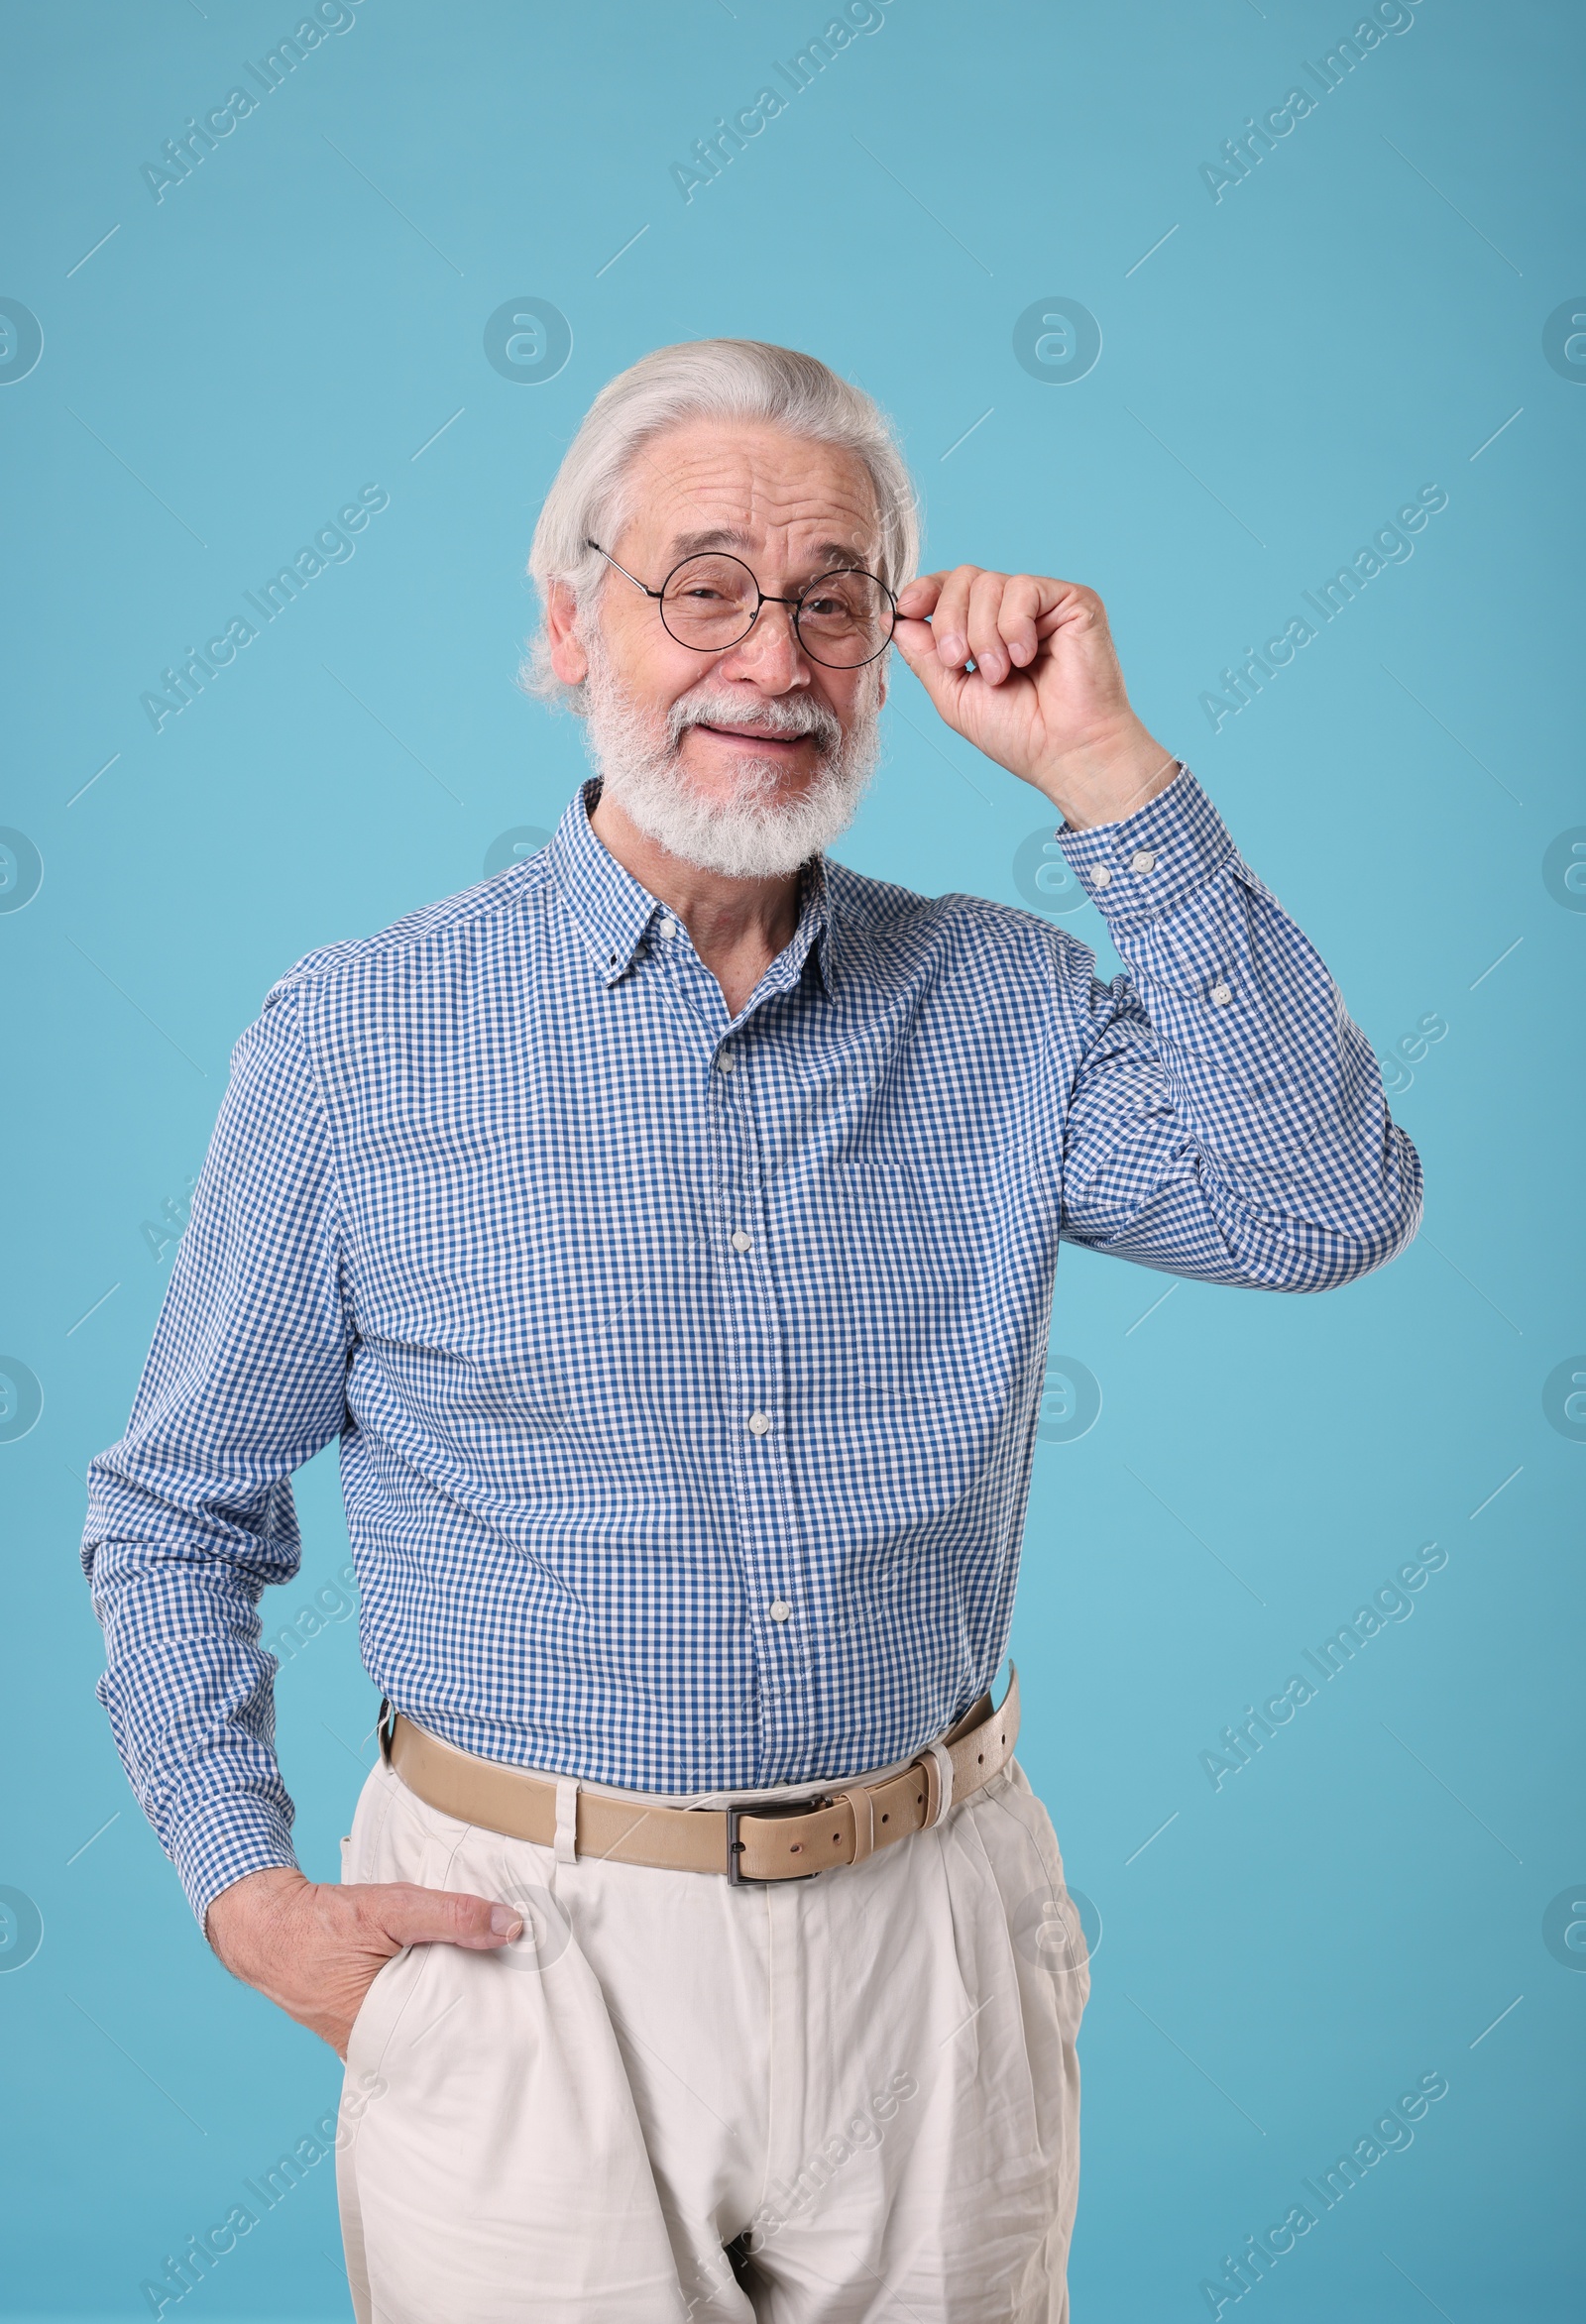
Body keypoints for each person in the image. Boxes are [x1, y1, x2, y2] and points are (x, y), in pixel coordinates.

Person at [82, 338, 1421, 2322]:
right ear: (567, 624)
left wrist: (1105, 777)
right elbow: (176, 1510)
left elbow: (1325, 1209)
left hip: (934, 1948)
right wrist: (244, 1894)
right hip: (527, 1952)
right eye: (701, 584)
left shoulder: (1006, 1003)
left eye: (827, 598)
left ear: (887, 647)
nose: (767, 657)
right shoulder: (357, 1039)